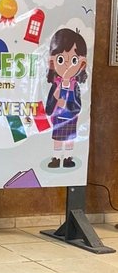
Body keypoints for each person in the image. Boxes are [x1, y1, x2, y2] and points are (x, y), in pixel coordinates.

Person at [45, 27, 88, 169]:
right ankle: (57, 158)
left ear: (82, 63)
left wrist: (69, 105)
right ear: (52, 60)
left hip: (70, 117)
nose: (67, 65)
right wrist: (57, 97)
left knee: (70, 139)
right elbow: (50, 103)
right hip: (58, 117)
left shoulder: (75, 86)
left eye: (74, 60)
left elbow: (78, 104)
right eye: (61, 59)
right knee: (57, 139)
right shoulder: (56, 84)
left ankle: (68, 158)